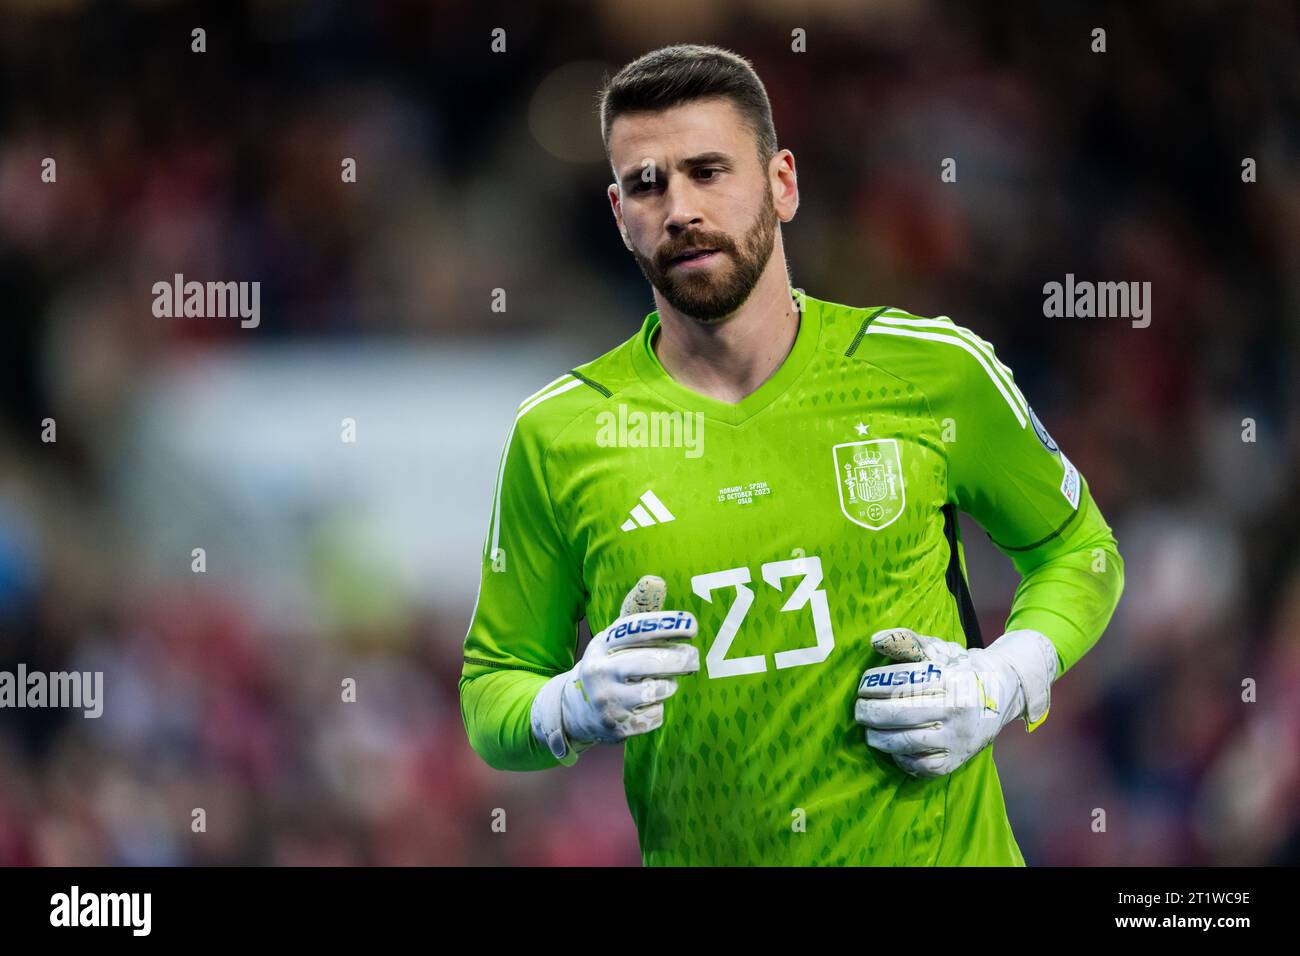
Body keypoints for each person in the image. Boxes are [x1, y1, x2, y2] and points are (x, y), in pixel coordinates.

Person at [459, 43, 1124, 865]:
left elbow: (1082, 552)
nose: (680, 209)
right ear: (618, 213)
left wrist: (1004, 682)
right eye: (647, 183)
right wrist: (564, 707)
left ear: (782, 183)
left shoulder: (934, 370)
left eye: (709, 171)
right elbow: (493, 688)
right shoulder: (559, 434)